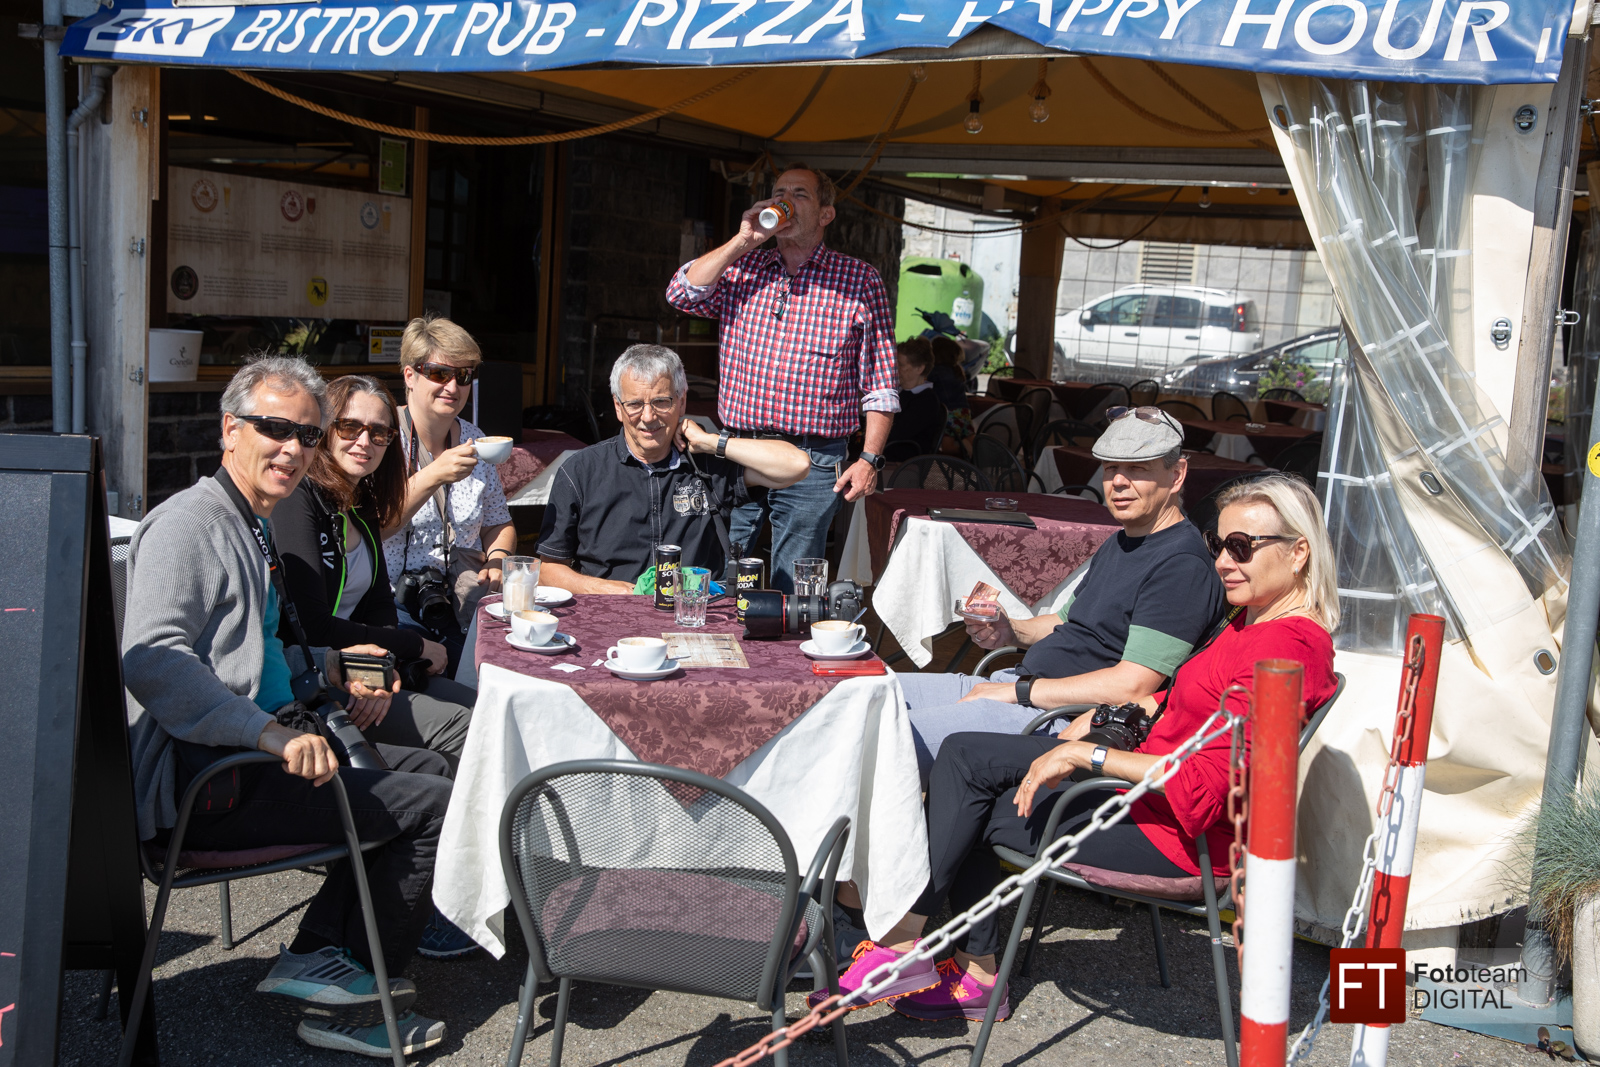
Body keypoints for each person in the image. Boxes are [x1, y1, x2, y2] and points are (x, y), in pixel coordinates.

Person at [818, 473, 1339, 1022]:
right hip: (1140, 797)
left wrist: (1085, 754)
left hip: (1175, 836)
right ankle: (948, 962)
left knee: (968, 777)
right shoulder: (1249, 622)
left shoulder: (1288, 650)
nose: (1224, 562)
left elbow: (1204, 783)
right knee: (967, 761)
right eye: (1219, 544)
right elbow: (1181, 697)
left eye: (1241, 547)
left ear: (1298, 552)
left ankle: (916, 951)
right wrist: (1108, 715)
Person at [121, 356, 454, 1057]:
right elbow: (152, 659)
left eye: (306, 434)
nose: (293, 448)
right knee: (432, 805)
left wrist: (340, 666)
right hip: (214, 778)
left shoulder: (253, 521)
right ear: (229, 430)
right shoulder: (188, 524)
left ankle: (321, 955)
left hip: (262, 751)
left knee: (430, 769)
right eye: (274, 428)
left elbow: (262, 648)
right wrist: (267, 733)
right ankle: (352, 1003)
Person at [898, 407, 1228, 779]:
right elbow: (1064, 620)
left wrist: (1019, 693)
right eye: (1110, 468)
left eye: (1137, 468)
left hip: (1052, 719)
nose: (1118, 482)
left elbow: (1132, 685)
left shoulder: (1181, 564)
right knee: (870, 693)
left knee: (883, 737)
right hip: (1016, 689)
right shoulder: (1121, 541)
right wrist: (1010, 630)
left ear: (1177, 474)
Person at [665, 164, 899, 593]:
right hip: (738, 449)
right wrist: (743, 240)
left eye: (799, 194)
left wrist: (869, 459)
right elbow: (681, 293)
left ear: (826, 214)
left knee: (794, 585)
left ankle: (785, 639)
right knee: (717, 569)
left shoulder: (858, 279)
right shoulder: (743, 267)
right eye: (779, 192)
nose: (784, 200)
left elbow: (880, 381)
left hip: (814, 458)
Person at [274, 375, 478, 773]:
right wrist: (410, 647)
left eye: (380, 432)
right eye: (350, 427)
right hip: (310, 677)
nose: (364, 441)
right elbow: (313, 627)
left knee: (481, 705)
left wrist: (380, 671)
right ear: (325, 431)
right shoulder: (297, 498)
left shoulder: (360, 500)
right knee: (468, 727)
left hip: (362, 670)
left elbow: (380, 603)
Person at [536, 345, 810, 593]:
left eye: (661, 402)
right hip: (610, 617)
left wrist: (711, 441)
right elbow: (548, 571)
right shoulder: (581, 471)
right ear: (618, 407)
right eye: (634, 404)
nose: (648, 417)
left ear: (682, 402)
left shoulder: (706, 463)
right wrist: (613, 592)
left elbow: (796, 465)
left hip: (696, 614)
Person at [381, 315, 515, 676]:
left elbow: (499, 523)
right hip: (394, 606)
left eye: (464, 376)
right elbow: (374, 525)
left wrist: (497, 560)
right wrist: (433, 475)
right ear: (410, 376)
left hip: (461, 603)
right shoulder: (381, 437)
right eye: (440, 373)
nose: (453, 386)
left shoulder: (475, 438)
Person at [885, 339, 946, 460]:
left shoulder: (926, 401)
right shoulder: (900, 392)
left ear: (919, 369)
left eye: (900, 364)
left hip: (903, 463)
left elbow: (897, 433)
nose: (894, 368)